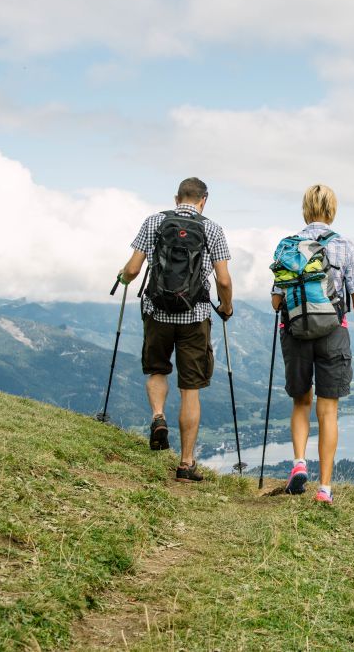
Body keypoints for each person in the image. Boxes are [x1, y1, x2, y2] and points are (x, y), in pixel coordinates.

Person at [271, 184, 354, 504]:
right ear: (332, 210)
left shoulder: (287, 246)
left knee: (300, 402)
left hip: (295, 332)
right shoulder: (345, 246)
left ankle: (298, 465)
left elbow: (276, 300)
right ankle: (324, 488)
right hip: (334, 333)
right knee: (328, 410)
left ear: (305, 210)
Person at [118, 177, 233, 482]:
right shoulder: (213, 229)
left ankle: (158, 416)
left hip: (157, 312)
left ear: (176, 197)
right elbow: (223, 281)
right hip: (194, 317)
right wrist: (227, 306)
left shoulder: (154, 222)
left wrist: (122, 278)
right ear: (203, 200)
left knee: (157, 370)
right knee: (190, 389)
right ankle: (186, 464)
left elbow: (132, 269)